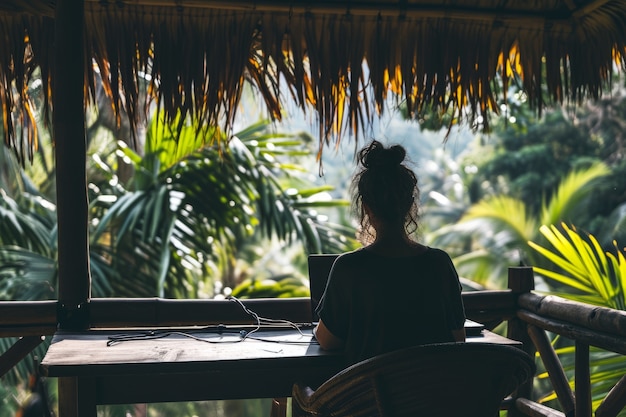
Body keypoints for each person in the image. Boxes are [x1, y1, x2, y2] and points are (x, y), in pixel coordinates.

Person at [314, 140, 466, 364]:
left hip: (371, 397)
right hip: (433, 395)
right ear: (409, 204)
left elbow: (329, 341)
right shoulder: (439, 263)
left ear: (366, 207)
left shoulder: (349, 268)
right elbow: (457, 338)